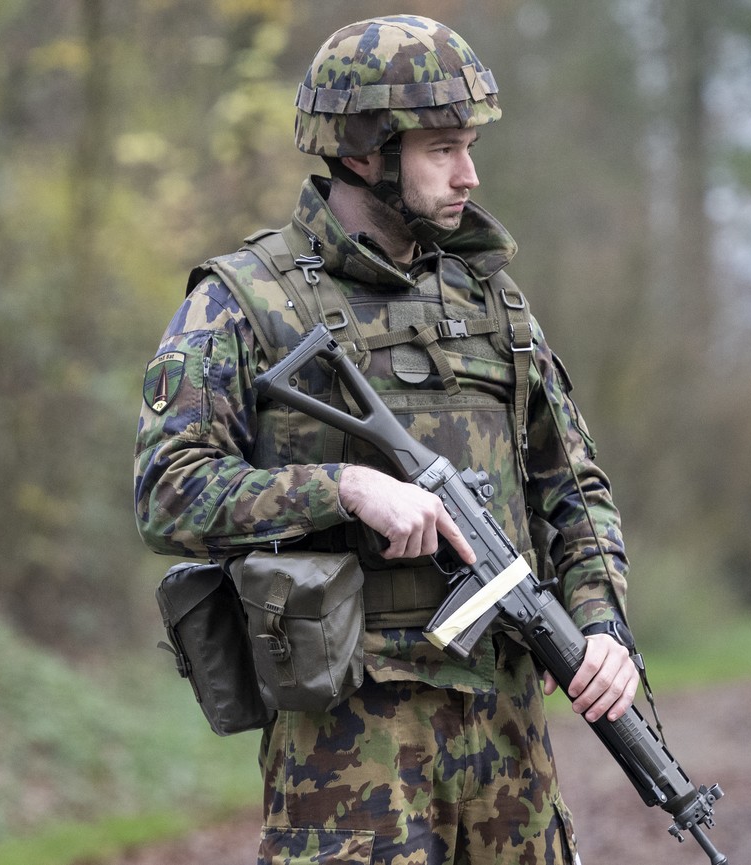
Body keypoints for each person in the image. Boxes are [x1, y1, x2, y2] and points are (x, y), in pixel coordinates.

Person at [133, 15, 639, 865]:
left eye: (469, 145)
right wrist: (344, 488)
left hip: (507, 737)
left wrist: (601, 624)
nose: (469, 174)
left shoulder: (495, 305)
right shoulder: (243, 301)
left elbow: (575, 489)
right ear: (364, 149)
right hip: (349, 748)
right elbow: (168, 488)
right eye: (442, 148)